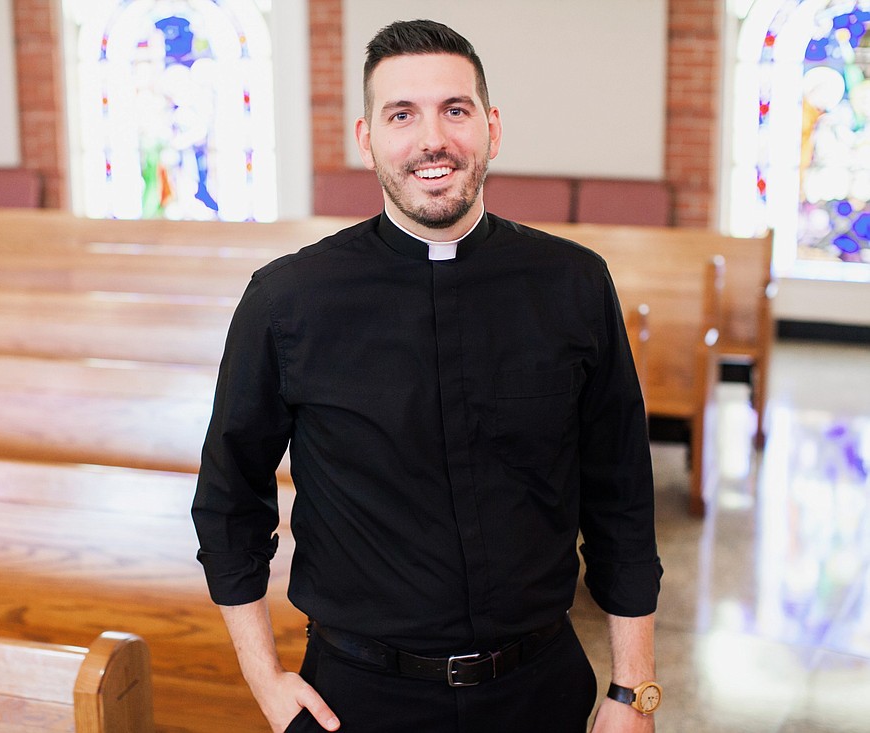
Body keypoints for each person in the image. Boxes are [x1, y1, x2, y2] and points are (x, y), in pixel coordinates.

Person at [192, 18, 662, 733]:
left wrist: (634, 688)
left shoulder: (574, 284)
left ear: (492, 128)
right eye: (402, 114)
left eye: (455, 110)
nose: (431, 139)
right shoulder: (288, 299)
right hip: (359, 698)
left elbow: (621, 492)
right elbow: (229, 500)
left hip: (540, 688)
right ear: (367, 138)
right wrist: (264, 678)